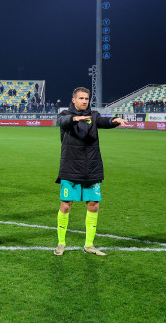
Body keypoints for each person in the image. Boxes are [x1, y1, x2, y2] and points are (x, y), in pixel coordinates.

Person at [54, 87, 127, 256]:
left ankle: (89, 245)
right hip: (70, 168)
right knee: (65, 205)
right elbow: (62, 121)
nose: (84, 101)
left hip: (91, 169)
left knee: (94, 206)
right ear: (74, 100)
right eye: (81, 98)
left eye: (86, 98)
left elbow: (103, 121)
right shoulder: (65, 114)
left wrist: (114, 120)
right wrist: (75, 118)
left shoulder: (94, 116)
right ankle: (61, 243)